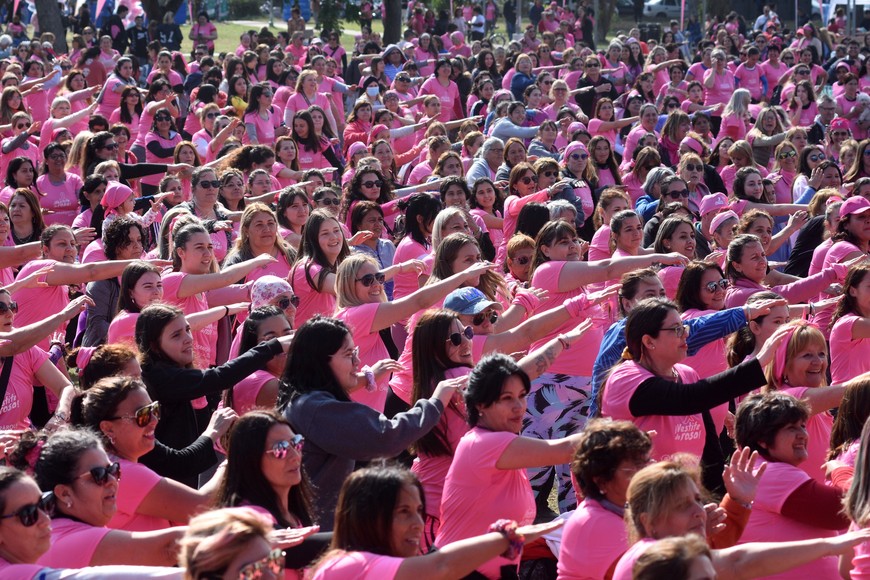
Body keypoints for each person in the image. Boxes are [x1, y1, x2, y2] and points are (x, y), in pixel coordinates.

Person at [280, 316, 462, 530]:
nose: (357, 362)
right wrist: (435, 402)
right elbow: (386, 436)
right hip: (315, 532)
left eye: (355, 353)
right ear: (320, 362)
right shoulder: (316, 408)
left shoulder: (305, 399)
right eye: (349, 355)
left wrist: (369, 377)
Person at [435, 353, 586, 578]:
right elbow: (564, 450)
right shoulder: (486, 443)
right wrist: (623, 434)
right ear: (480, 405)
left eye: (523, 396)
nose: (519, 406)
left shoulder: (500, 440)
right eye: (507, 398)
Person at [310, 464, 561, 579]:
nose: (418, 523)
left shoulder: (391, 566)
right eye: (403, 512)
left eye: (419, 510)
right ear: (368, 516)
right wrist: (508, 537)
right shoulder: (351, 565)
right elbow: (442, 565)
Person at [136, 303, 293, 484]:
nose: (188, 338)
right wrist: (273, 346)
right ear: (154, 346)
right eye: (176, 335)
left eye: (187, 330)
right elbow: (219, 377)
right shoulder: (158, 376)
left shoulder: (167, 372)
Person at [70, 376, 211, 531]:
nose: (154, 420)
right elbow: (202, 507)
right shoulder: (120, 472)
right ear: (108, 428)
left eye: (155, 409)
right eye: (142, 415)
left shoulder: (108, 465)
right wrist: (231, 455)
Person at [557, 419, 653, 580]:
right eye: (634, 468)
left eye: (646, 462)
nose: (647, 472)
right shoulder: (598, 522)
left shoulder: (615, 508)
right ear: (601, 479)